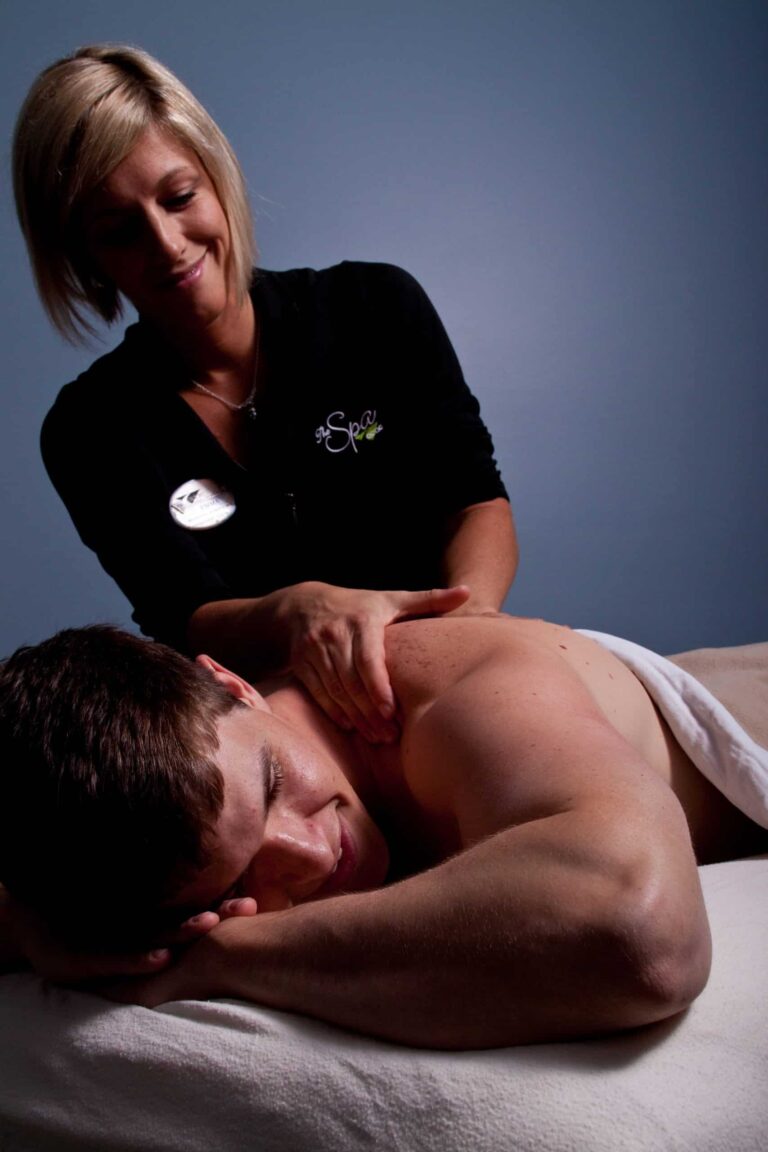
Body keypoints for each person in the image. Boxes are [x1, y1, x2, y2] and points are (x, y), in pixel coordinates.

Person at [12, 44, 516, 744]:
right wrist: (295, 612)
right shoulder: (88, 428)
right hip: (285, 733)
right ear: (83, 257)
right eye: (120, 231)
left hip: (452, 679)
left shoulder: (374, 307)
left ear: (217, 178)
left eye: (179, 197)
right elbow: (182, 615)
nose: (168, 244)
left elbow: (476, 500)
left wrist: (461, 642)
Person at [1, 614, 765, 1050]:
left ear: (236, 685)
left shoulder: (442, 698)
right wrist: (33, 929)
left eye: (271, 787)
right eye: (238, 887)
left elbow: (641, 941)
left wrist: (222, 957)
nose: (308, 857)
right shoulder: (104, 847)